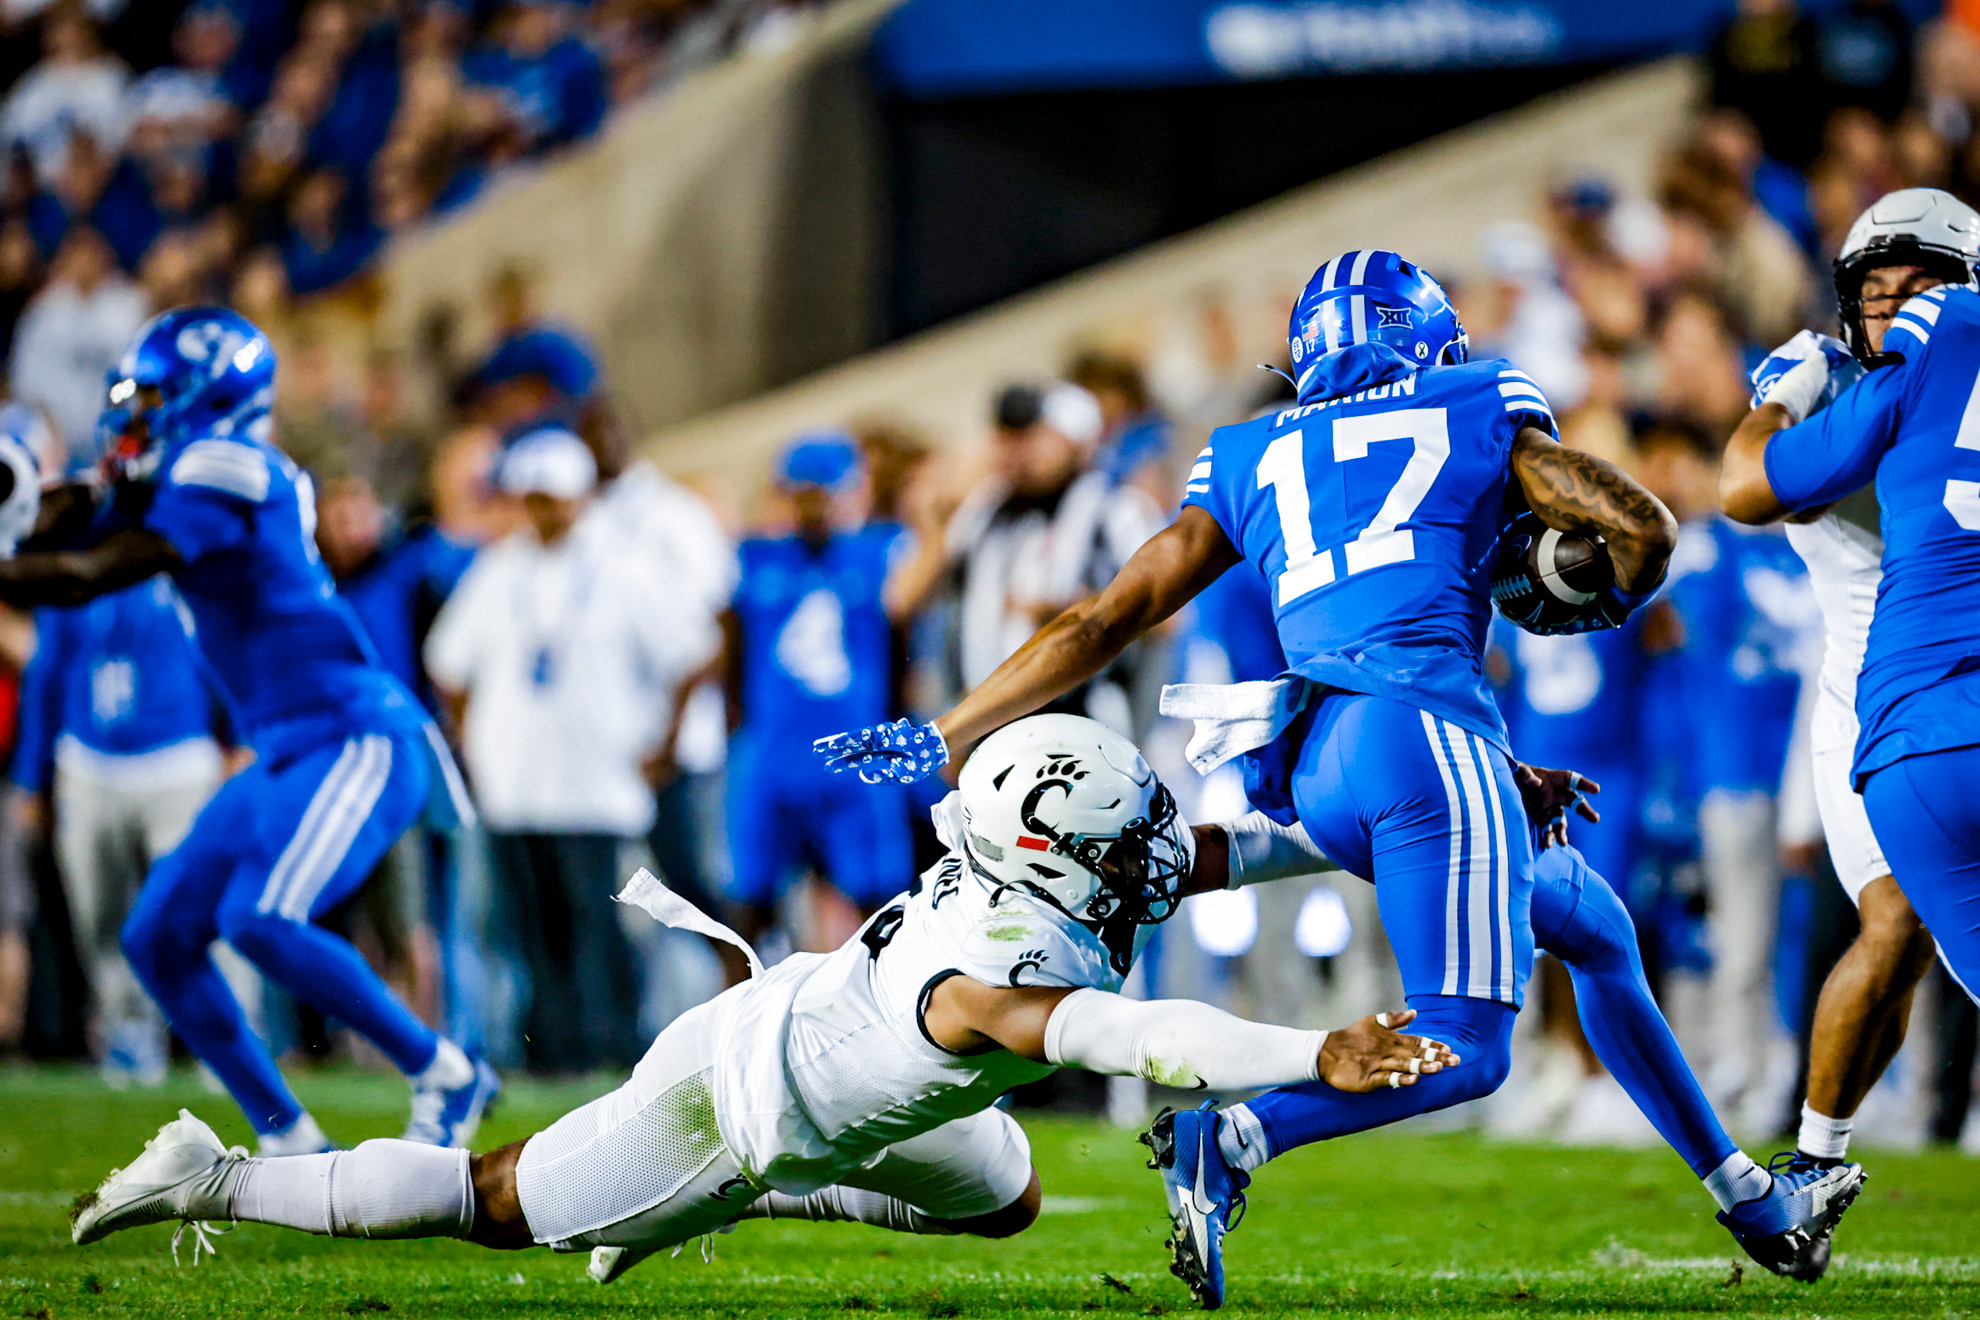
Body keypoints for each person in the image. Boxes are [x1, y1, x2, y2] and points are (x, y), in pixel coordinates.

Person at [818, 250, 1860, 1304]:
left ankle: (1748, 1197)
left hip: (1320, 758)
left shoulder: (1248, 448)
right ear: (1423, 337)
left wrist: (949, 729)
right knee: (1471, 1046)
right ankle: (1237, 1136)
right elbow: (1640, 527)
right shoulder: (1479, 394)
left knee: (1592, 928)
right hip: (1423, 743)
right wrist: (1590, 595)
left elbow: (1106, 616)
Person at [70, 715, 1452, 1279]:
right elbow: (1132, 1036)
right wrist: (1310, 1050)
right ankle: (217, 1175)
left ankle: (779, 1186)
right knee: (495, 1204)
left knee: (1013, 1197)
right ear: (1046, 853)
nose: (1149, 856)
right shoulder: (987, 979)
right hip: (732, 1096)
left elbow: (1215, 850)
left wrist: (1428, 806)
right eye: (1117, 842)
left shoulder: (1031, 869)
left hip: (827, 1037)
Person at [0, 307, 495, 1154]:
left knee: (261, 916)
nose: (130, 413)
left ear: (207, 397)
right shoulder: (181, 472)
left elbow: (93, 568)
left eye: (150, 396)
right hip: (287, 750)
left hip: (358, 736)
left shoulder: (228, 467)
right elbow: (72, 512)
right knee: (158, 938)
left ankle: (444, 1069)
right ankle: (287, 1136)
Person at [1721, 187, 1980, 1168]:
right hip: (1866, 699)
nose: (1894, 306)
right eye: (1877, 289)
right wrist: (1787, 396)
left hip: (1927, 700)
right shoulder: (1852, 388)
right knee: (1892, 930)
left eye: (1918, 287)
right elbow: (1743, 487)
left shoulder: (1899, 379)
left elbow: (1748, 474)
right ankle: (1819, 1152)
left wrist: (1772, 401)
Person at [424, 424, 714, 1073]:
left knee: (598, 926)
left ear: (582, 497)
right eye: (531, 498)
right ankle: (552, 1056)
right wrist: (474, 744)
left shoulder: (625, 563)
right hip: (516, 783)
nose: (541, 510)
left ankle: (611, 1048)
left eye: (552, 498)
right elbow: (448, 662)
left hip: (598, 783)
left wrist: (665, 743)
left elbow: (693, 653)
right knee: (534, 928)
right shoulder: (501, 567)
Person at [11, 567, 229, 1088]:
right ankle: (128, 1036)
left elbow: (225, 646)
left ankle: (222, 1038)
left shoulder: (179, 548)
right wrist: (30, 773)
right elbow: (47, 670)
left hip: (178, 755)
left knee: (195, 912)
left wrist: (239, 735)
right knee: (104, 916)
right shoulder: (77, 565)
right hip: (88, 757)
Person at [724, 434, 914, 945]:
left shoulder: (883, 552)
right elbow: (730, 655)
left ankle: (893, 1020)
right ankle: (745, 1019)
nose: (817, 506)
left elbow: (904, 644)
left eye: (828, 491)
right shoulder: (754, 558)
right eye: (803, 492)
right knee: (749, 909)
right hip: (774, 757)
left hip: (858, 757)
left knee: (882, 912)